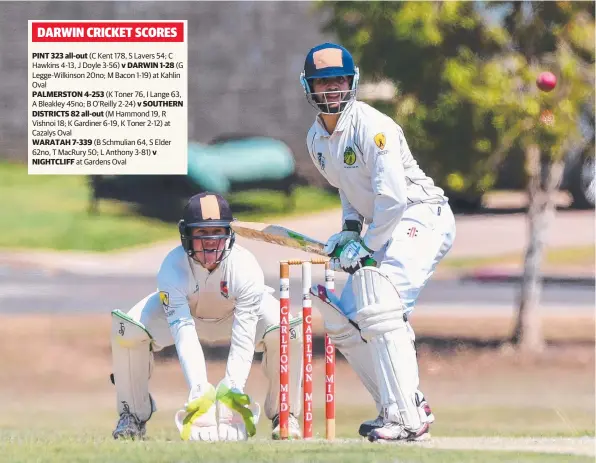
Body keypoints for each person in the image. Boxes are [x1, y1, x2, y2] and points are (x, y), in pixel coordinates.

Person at [300, 43, 456, 442]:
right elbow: (349, 189)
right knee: (346, 318)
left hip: (421, 215)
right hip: (385, 226)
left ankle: (411, 419)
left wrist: (366, 247)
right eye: (323, 83)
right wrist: (350, 229)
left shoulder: (375, 128)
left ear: (351, 83)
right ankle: (397, 406)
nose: (332, 90)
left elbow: (392, 200)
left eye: (338, 81)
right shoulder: (316, 140)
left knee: (381, 303)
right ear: (309, 88)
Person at [110, 192, 303, 441]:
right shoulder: (172, 268)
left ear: (229, 234)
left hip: (235, 318)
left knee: (289, 330)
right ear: (186, 235)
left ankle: (285, 415)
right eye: (202, 233)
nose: (210, 242)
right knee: (129, 330)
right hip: (186, 318)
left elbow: (244, 335)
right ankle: (131, 417)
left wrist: (233, 388)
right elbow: (184, 332)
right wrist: (200, 390)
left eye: (217, 232)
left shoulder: (246, 268)